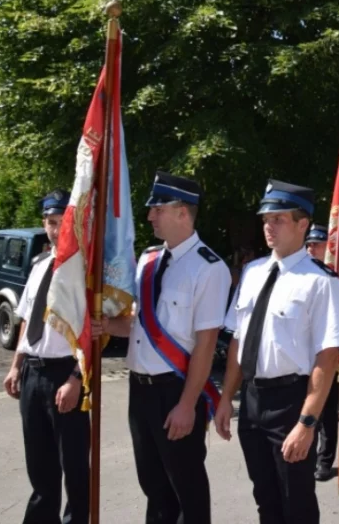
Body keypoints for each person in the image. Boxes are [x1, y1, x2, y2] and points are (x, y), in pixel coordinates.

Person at [96, 172, 230, 524]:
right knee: (153, 486)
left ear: (183, 212)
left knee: (186, 488)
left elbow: (206, 343)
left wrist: (187, 405)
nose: (150, 216)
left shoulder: (209, 268)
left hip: (175, 391)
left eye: (157, 209)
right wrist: (109, 326)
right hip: (139, 389)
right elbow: (140, 323)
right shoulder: (149, 260)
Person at [215, 180, 339, 524]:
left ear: (303, 224)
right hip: (253, 398)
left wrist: (306, 423)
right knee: (266, 499)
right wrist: (227, 396)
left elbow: (327, 357)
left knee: (296, 500)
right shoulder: (253, 271)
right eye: (265, 220)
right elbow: (239, 341)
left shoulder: (321, 281)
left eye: (278, 219)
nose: (268, 227)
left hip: (291, 400)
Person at [3, 190, 89, 524]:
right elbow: (27, 319)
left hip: (65, 375)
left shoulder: (83, 268)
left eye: (61, 222)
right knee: (40, 467)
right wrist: (15, 367)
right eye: (50, 223)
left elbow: (92, 333)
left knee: (75, 467)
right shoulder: (40, 264)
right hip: (33, 375)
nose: (55, 230)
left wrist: (75, 379)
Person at [302, 224, 339, 483]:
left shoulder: (333, 278)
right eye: (309, 245)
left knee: (326, 413)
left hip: (326, 354)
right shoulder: (299, 276)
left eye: (316, 244)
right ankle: (307, 456)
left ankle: (325, 461)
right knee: (305, 410)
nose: (311, 249)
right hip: (301, 357)